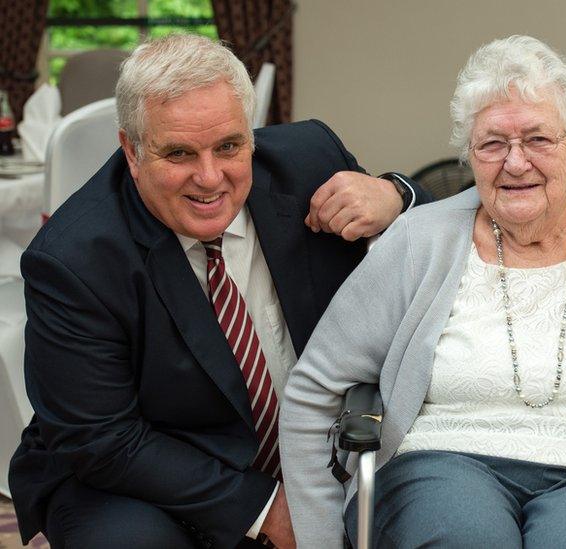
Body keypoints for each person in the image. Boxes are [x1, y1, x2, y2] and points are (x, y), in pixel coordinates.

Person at [280, 35, 566, 549]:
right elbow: (311, 391)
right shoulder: (419, 239)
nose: (515, 162)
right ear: (471, 155)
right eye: (493, 143)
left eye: (539, 140)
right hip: (440, 466)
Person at [9, 34, 428, 549]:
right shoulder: (74, 259)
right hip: (139, 473)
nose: (210, 178)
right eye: (179, 153)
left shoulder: (310, 160)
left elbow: (447, 238)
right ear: (132, 150)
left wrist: (397, 196)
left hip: (320, 451)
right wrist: (268, 510)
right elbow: (101, 440)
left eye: (229, 146)